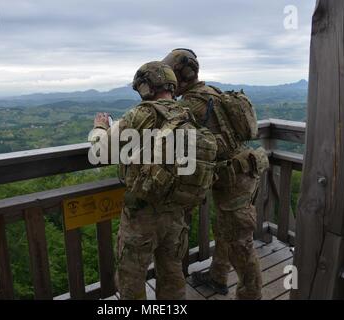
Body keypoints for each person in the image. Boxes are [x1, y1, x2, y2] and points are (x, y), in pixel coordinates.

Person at [89, 61, 217, 299]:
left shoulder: (141, 113)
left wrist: (99, 128)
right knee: (172, 271)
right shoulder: (186, 113)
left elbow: (100, 152)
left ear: (147, 86)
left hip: (142, 213)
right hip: (177, 211)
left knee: (131, 277)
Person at [163, 49, 268, 300]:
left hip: (233, 178)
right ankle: (218, 276)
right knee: (226, 231)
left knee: (241, 246)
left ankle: (250, 295)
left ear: (179, 75)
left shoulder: (189, 105)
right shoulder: (214, 93)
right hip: (244, 171)